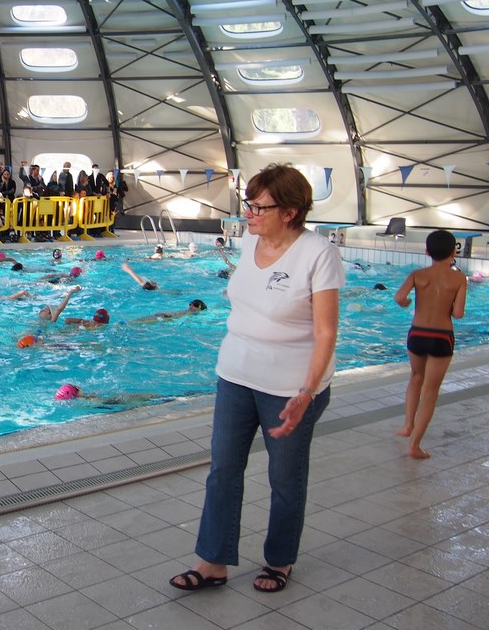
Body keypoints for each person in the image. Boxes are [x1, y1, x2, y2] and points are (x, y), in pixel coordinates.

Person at [169, 163, 344, 595]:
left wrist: (307, 392)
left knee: (284, 478)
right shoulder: (250, 241)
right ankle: (212, 562)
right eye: (248, 203)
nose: (249, 213)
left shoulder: (318, 254)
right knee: (223, 469)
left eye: (259, 206)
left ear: (289, 211)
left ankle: (279, 560)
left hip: (290, 387)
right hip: (236, 374)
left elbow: (326, 332)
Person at [393, 229, 467, 459]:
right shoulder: (459, 279)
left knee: (415, 378)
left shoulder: (417, 274)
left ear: (427, 251)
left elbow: (398, 298)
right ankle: (415, 445)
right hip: (441, 337)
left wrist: (407, 304)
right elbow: (458, 314)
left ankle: (407, 425)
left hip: (417, 333)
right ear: (454, 251)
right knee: (431, 390)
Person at [132, 299, 207, 324]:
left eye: (195, 305)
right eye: (190, 304)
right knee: (138, 320)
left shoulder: (194, 313)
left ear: (199, 308)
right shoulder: (189, 311)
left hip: (165, 318)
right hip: (161, 315)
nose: (191, 306)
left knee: (139, 323)